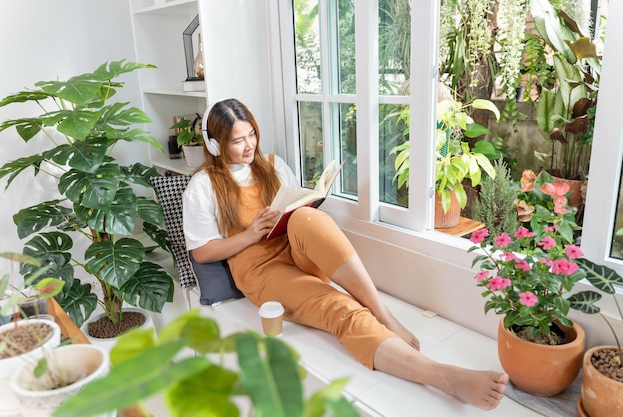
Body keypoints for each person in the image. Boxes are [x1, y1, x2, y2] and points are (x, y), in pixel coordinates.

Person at [183, 98, 509, 410]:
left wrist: (311, 199)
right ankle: (443, 377)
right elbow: (202, 252)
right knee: (338, 306)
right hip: (261, 272)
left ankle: (382, 312)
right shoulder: (203, 186)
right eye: (237, 140)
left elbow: (292, 211)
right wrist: (250, 234)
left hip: (294, 250)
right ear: (215, 146)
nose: (249, 144)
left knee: (308, 218)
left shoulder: (272, 165)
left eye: (251, 133)